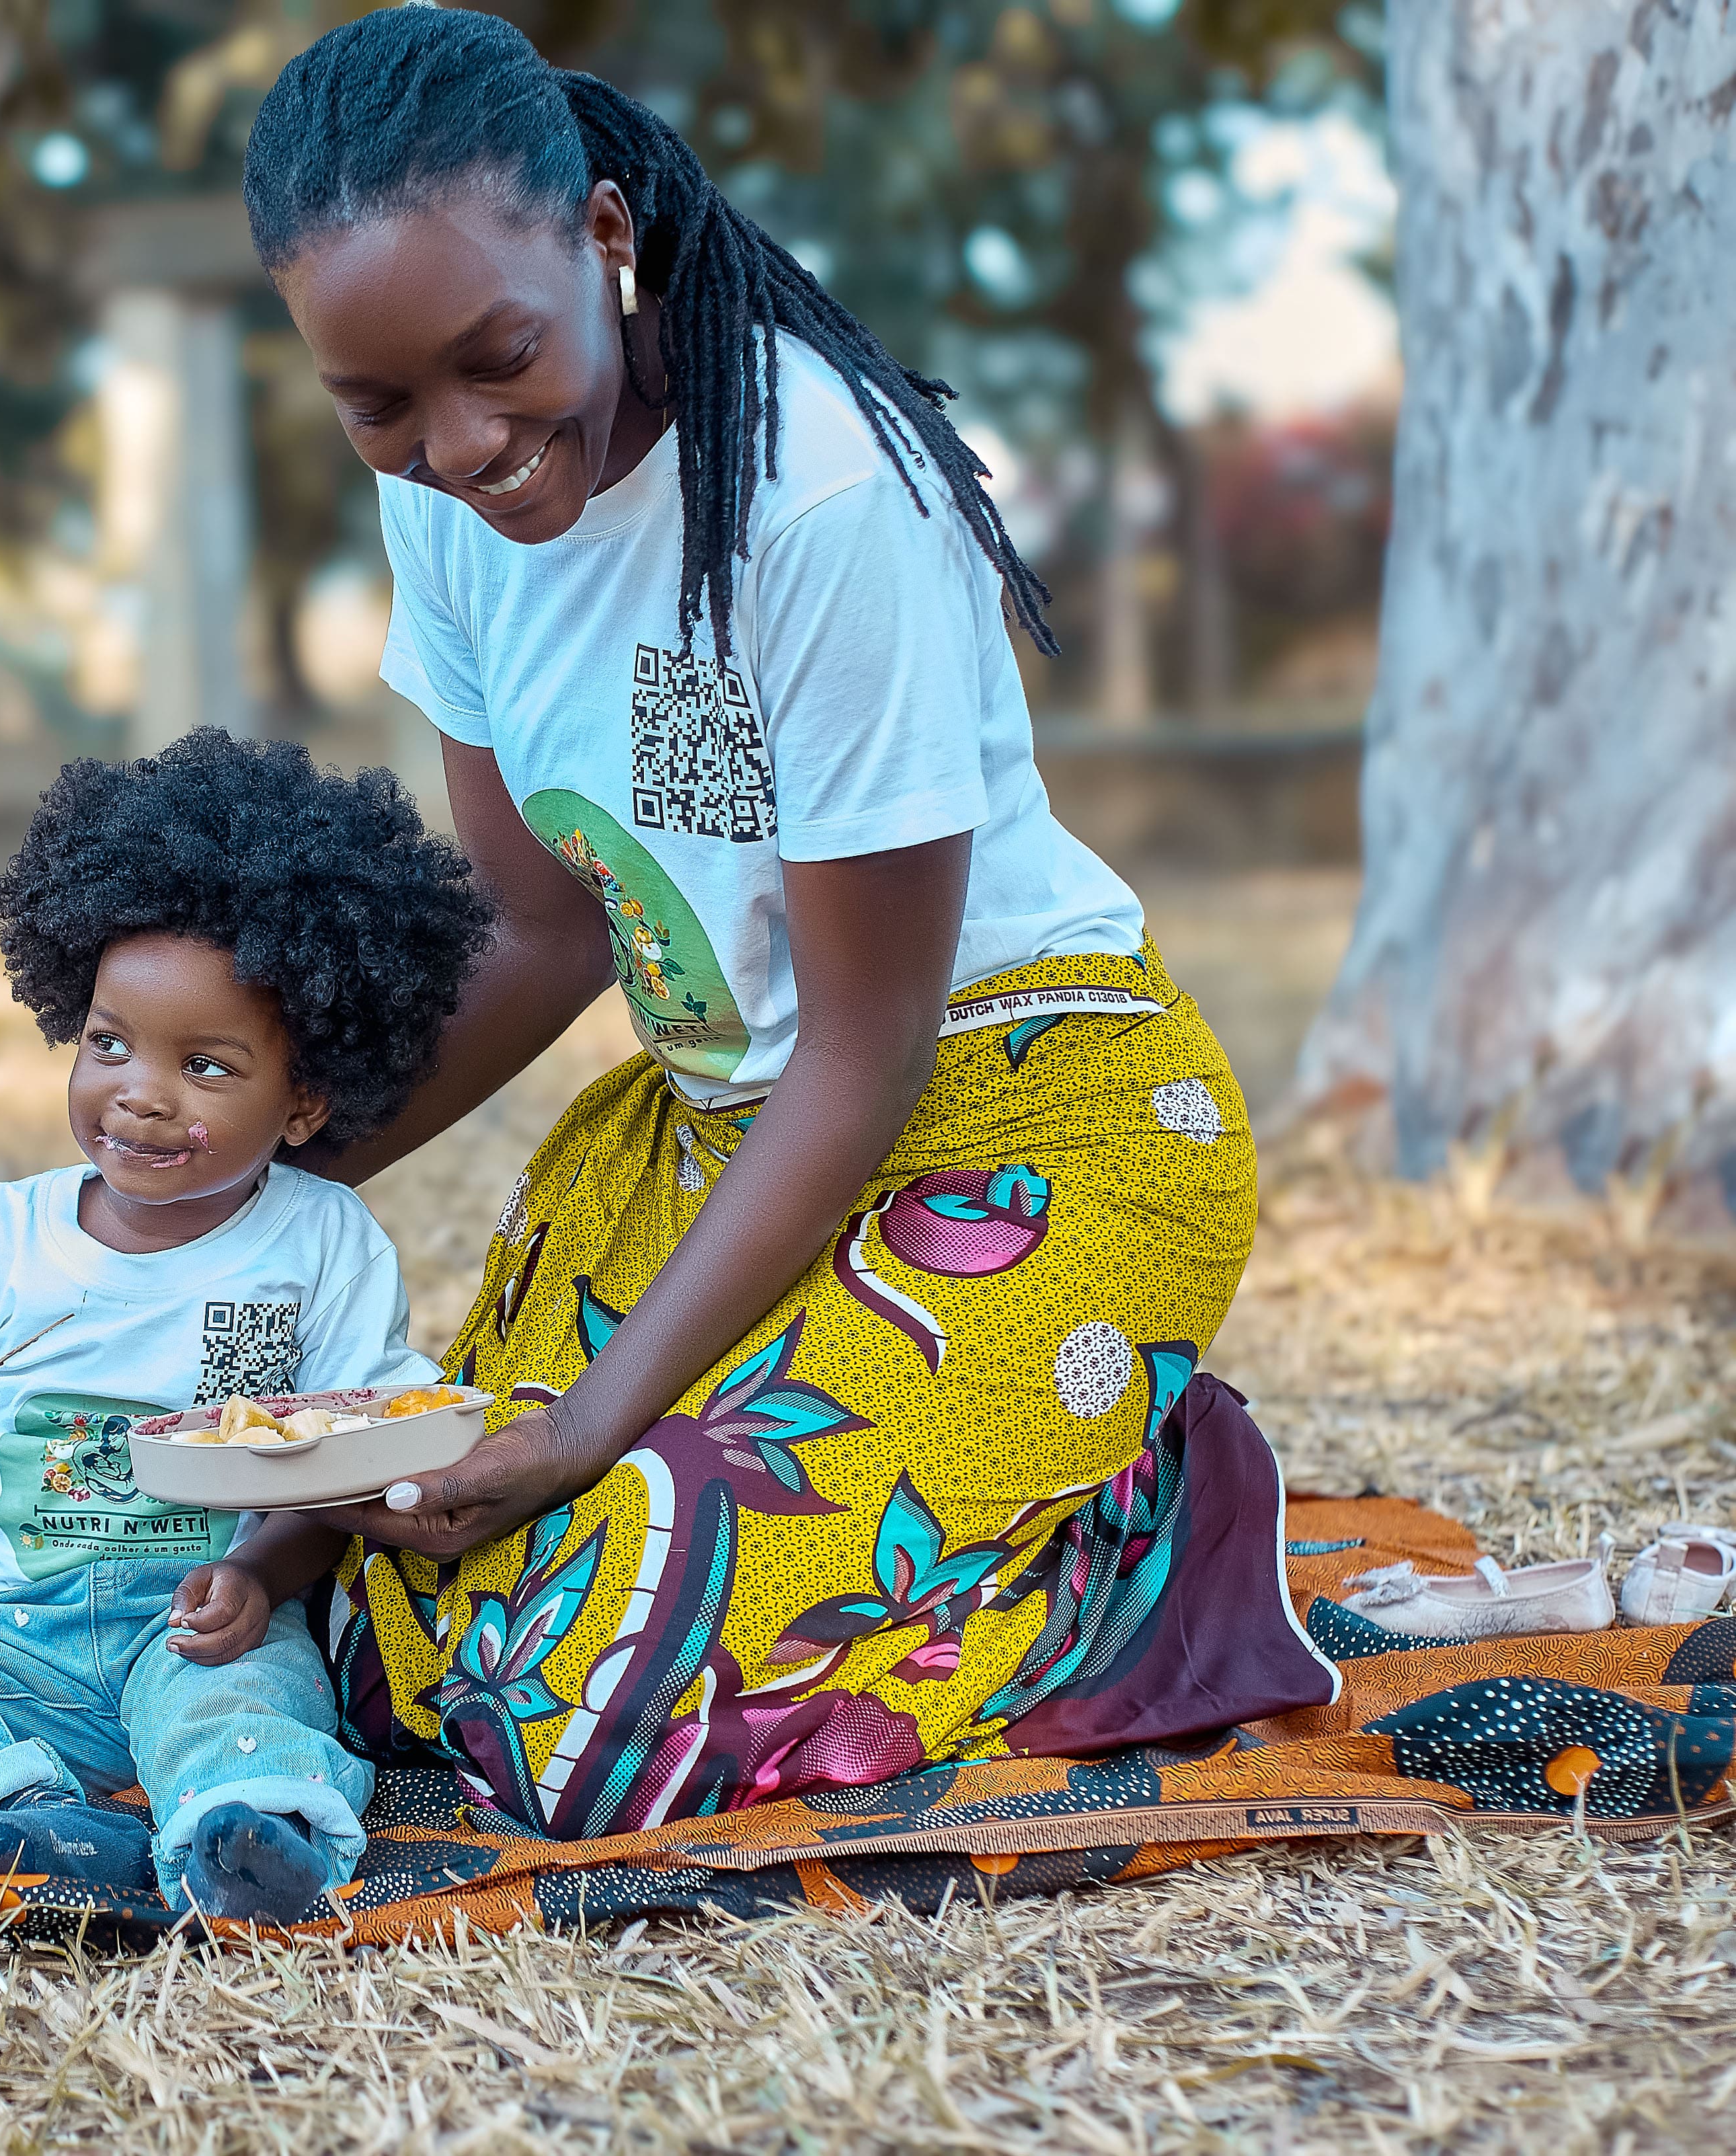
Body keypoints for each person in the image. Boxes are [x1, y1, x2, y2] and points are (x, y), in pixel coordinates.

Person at [202, 6, 1336, 1838]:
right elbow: (542, 924)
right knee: (390, 1575)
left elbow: (870, 1045)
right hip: (717, 1136)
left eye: (496, 358)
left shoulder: (811, 502)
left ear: (599, 231)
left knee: (606, 1711)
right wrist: (276, 1155)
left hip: (1018, 1125)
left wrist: (588, 1427)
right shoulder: (444, 505)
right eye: (378, 402)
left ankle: (1144, 1529)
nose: (461, 442)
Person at [0, 731, 492, 1920]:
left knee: (250, 1702)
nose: (140, 1091)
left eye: (206, 1063)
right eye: (108, 1043)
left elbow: (342, 1460)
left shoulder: (321, 1244)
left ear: (303, 1101)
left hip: (199, 1613)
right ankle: (16, 1818)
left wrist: (256, 1570)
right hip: (2, 1633)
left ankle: (244, 1836)